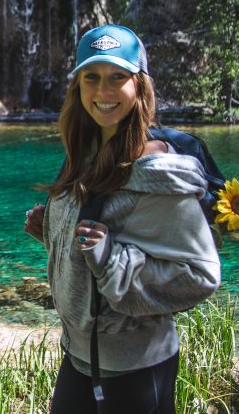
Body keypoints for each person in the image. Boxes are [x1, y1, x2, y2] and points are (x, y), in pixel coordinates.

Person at [24, 24, 221, 414]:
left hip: (135, 366)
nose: (103, 91)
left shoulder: (160, 174)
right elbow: (103, 238)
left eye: (118, 77)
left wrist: (111, 258)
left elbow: (201, 275)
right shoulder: (84, 154)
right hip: (78, 356)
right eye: (91, 78)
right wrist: (54, 232)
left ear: (140, 85)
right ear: (77, 87)